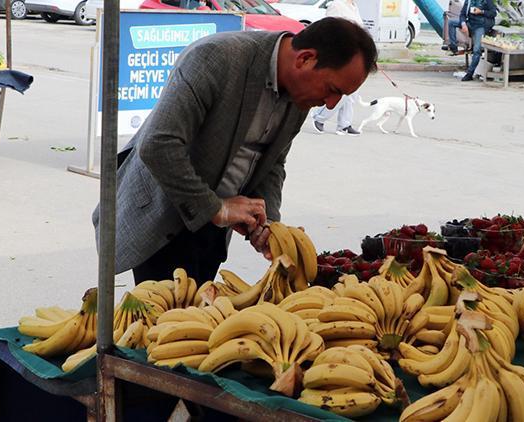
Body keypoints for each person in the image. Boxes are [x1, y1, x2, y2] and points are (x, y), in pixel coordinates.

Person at [92, 18, 377, 284]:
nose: (330, 104)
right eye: (331, 89)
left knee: (200, 320)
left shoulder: (301, 94)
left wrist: (268, 223)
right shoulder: (216, 58)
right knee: (166, 323)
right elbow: (158, 145)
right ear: (305, 59)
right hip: (165, 215)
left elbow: (273, 162)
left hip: (215, 227)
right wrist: (216, 208)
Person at [311, 0, 364, 136]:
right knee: (346, 90)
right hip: (341, 53)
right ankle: (320, 116)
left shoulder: (353, 6)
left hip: (356, 53)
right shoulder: (337, 5)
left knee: (353, 93)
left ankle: (344, 125)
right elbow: (330, 28)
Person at [447, 0, 497, 81]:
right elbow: (462, 14)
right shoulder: (469, 1)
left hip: (481, 26)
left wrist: (481, 11)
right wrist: (463, 24)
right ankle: (453, 47)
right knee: (451, 22)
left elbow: (493, 13)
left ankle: (470, 74)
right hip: (470, 23)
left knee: (477, 50)